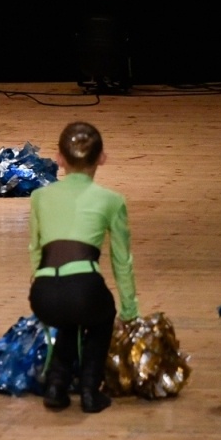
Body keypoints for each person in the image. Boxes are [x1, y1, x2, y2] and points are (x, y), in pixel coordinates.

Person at [26, 122, 139, 414]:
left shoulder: (40, 197)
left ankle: (56, 385)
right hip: (84, 291)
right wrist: (129, 310)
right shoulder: (112, 200)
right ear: (102, 157)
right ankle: (90, 389)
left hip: (43, 293)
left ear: (59, 158)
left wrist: (38, 289)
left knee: (69, 318)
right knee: (101, 317)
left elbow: (35, 250)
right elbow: (121, 260)